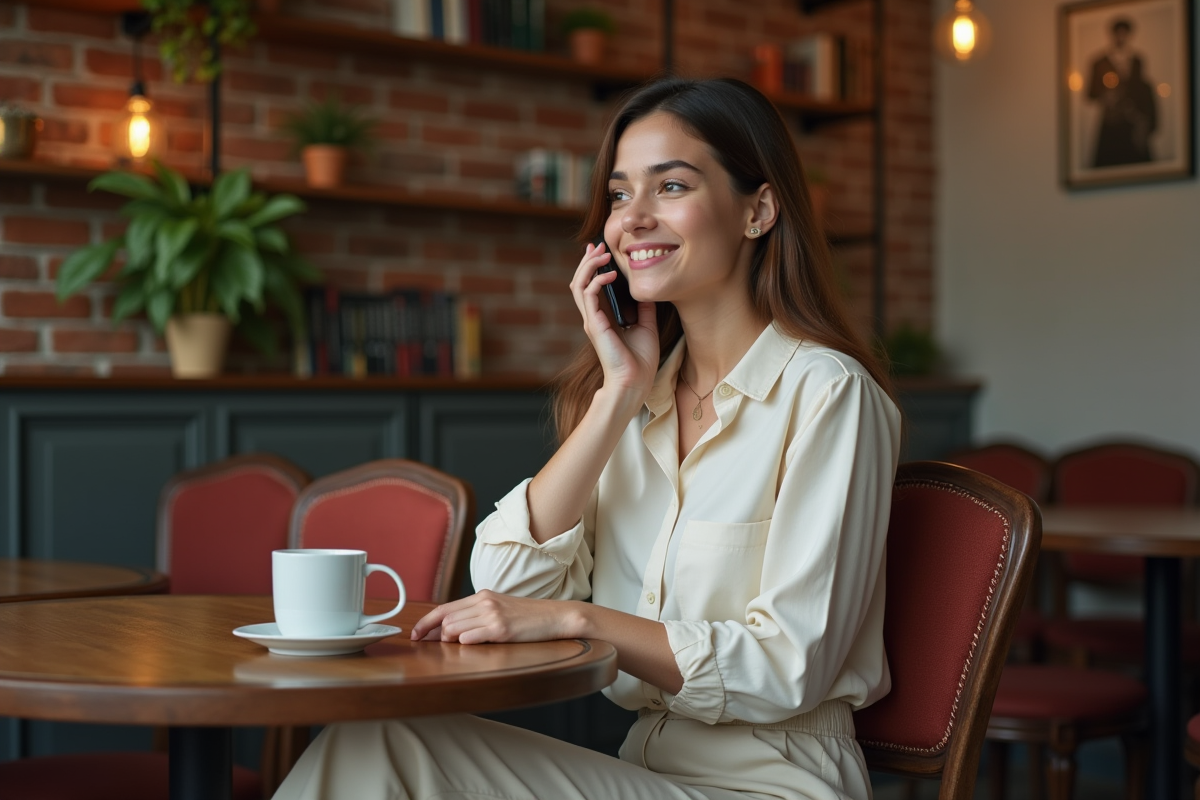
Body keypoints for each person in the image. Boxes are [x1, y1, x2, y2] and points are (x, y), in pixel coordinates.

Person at [275, 77, 902, 800]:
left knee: (383, 747)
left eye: (670, 187)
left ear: (758, 209)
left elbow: (789, 664)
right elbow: (505, 588)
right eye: (617, 194)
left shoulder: (828, 393)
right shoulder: (636, 406)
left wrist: (573, 617)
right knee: (372, 741)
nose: (631, 218)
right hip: (643, 772)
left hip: (774, 782)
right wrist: (616, 398)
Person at [1088, 16, 1158, 167]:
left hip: (1132, 120)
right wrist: (1105, 96)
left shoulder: (1137, 60)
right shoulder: (1099, 62)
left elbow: (1141, 90)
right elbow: (1091, 93)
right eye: (1118, 33)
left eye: (1124, 33)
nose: (1121, 37)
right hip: (1111, 122)